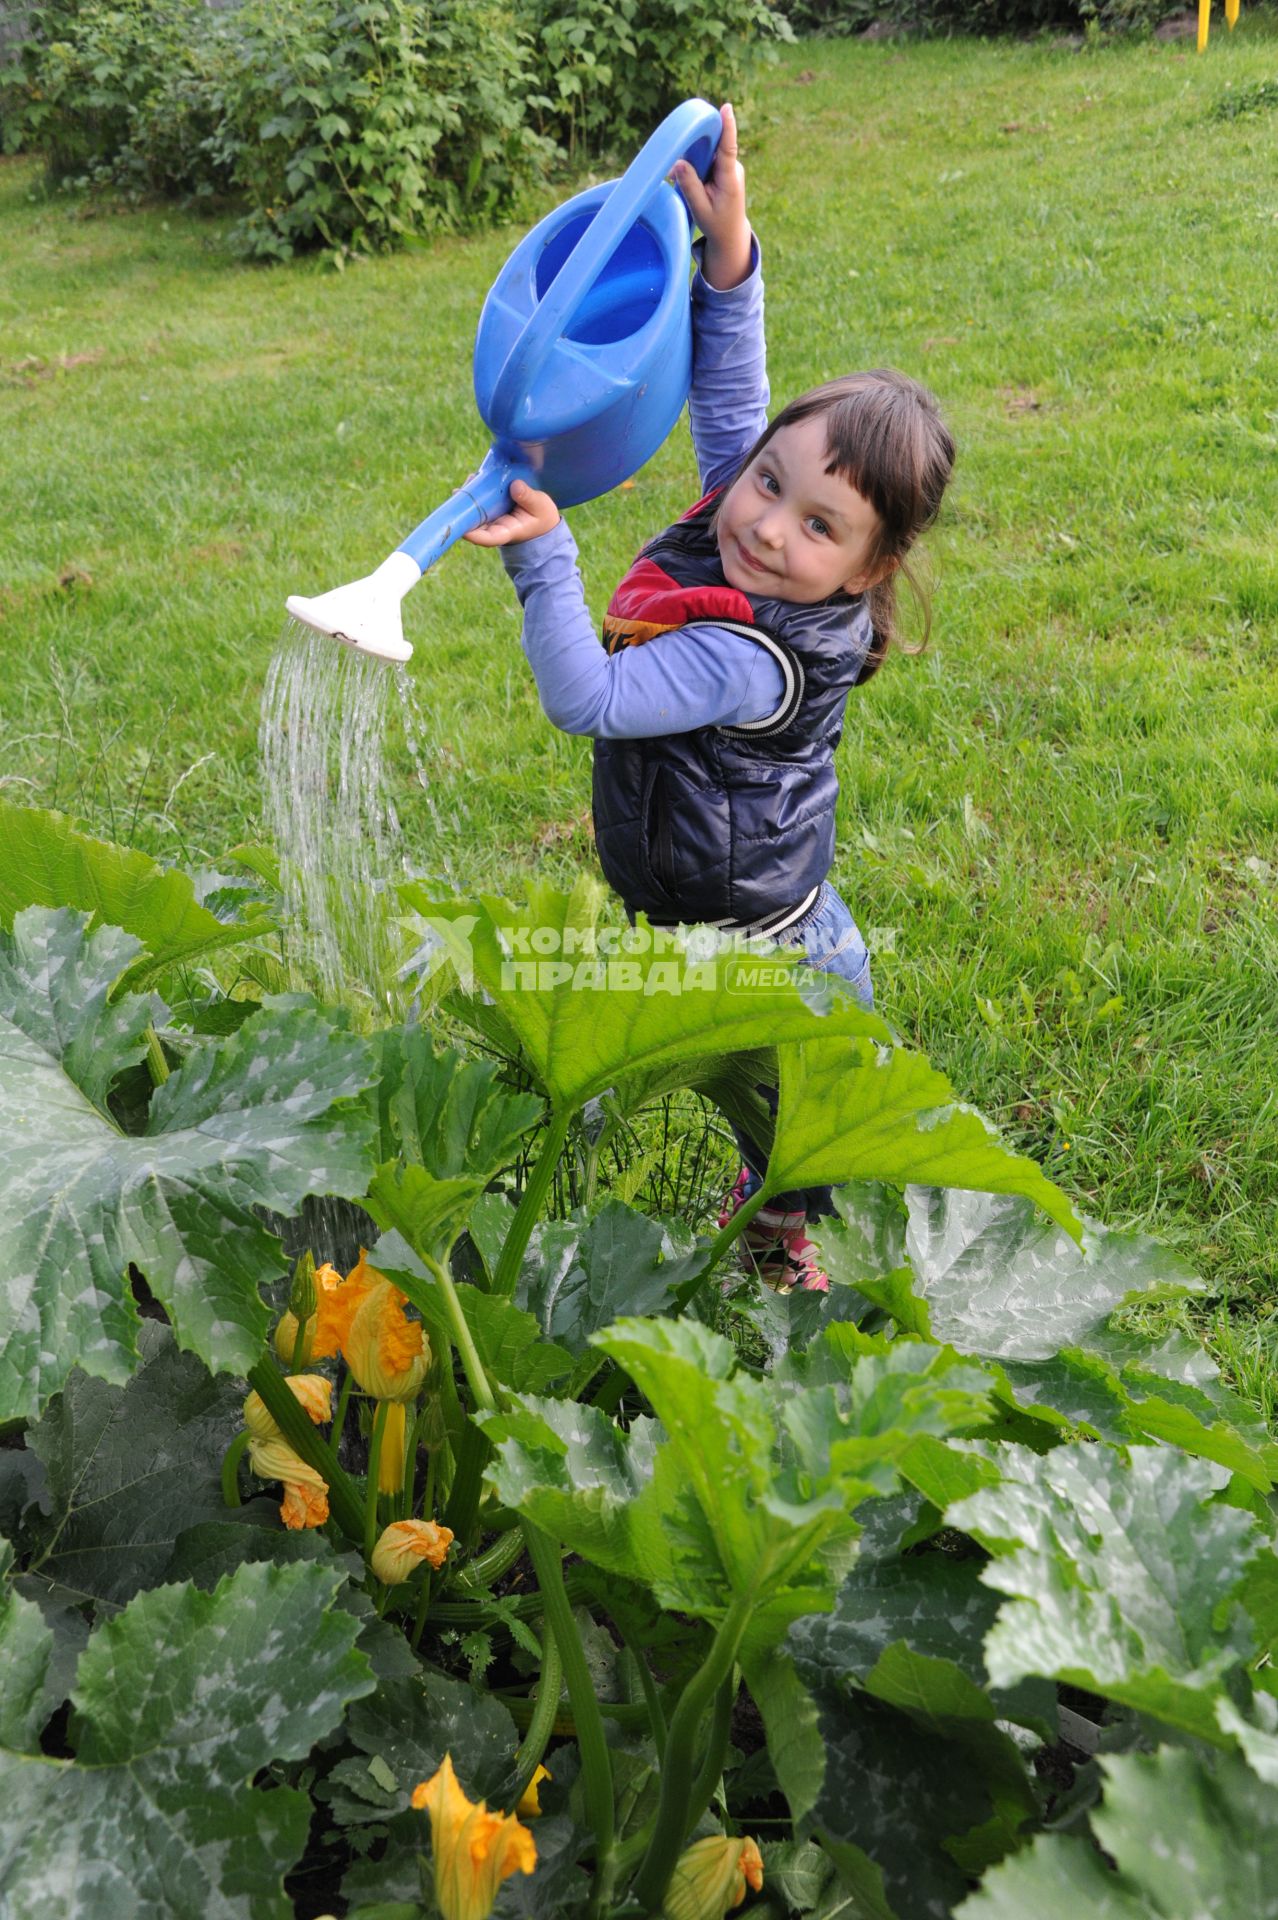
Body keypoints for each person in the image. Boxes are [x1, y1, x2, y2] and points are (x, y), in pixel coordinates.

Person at [466, 103, 955, 1291]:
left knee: (794, 1158)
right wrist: (728, 257)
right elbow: (739, 402)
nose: (765, 523)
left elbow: (584, 694)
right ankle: (766, 1211)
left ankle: (802, 1269)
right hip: (731, 917)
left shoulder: (745, 655)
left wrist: (544, 554)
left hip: (766, 959)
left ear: (869, 568)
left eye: (818, 524)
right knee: (756, 1132)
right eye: (771, 483)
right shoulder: (753, 522)